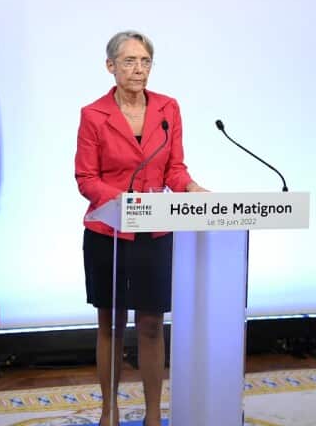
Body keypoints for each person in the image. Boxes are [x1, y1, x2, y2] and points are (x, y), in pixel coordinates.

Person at [75, 30, 206, 426]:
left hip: (155, 231)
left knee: (151, 324)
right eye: (129, 61)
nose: (139, 69)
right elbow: (86, 177)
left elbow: (175, 170)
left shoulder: (168, 108)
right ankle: (108, 410)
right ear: (110, 66)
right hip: (108, 233)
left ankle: (152, 415)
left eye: (145, 61)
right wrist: (117, 198)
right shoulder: (93, 114)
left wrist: (193, 188)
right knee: (111, 323)